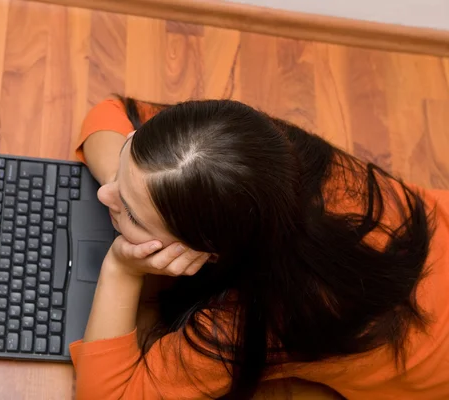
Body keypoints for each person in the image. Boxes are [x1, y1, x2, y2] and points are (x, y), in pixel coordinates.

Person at [68, 97, 449, 400]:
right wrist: (128, 182)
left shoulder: (256, 317)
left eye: (131, 214)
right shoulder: (241, 151)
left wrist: (122, 268)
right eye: (126, 159)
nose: (105, 194)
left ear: (209, 252)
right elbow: (110, 111)